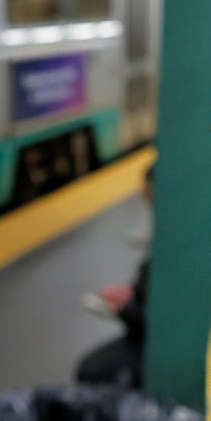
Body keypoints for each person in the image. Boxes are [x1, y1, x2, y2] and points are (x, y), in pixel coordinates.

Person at [75, 161, 154, 388]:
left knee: (90, 371)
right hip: (142, 333)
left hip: (145, 342)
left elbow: (151, 317)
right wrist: (129, 294)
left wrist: (122, 308)